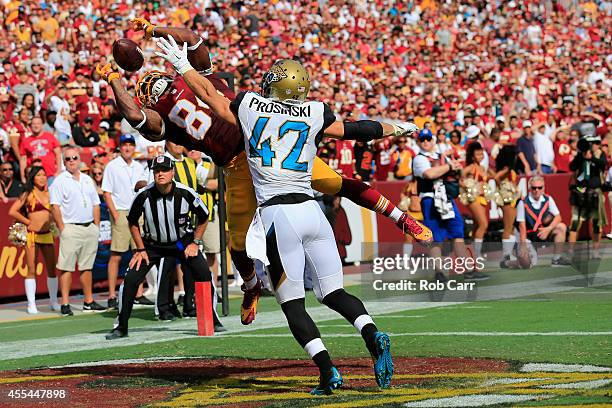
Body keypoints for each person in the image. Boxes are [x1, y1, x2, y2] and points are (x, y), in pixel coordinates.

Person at [96, 20, 431, 327]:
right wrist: (114, 80)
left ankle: (401, 217)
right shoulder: (163, 117)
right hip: (237, 166)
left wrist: (154, 30)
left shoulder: (200, 80)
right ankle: (252, 286)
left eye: (154, 82)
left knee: (334, 182)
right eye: (146, 88)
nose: (152, 86)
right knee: (237, 242)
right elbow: (134, 114)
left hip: (267, 148)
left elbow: (192, 40)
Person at [156, 42, 395, 393]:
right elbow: (358, 130)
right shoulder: (315, 111)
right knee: (334, 292)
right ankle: (372, 334)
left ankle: (328, 371)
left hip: (279, 216)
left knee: (293, 306)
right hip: (314, 211)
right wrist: (398, 126)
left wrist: (181, 64)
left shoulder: (252, 107)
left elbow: (212, 97)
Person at [105, 155, 224, 340]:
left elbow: (203, 216)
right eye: (157, 171)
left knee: (203, 273)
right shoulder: (144, 194)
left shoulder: (185, 193)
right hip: (152, 245)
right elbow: (132, 222)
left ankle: (213, 319)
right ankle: (121, 326)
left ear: (172, 172)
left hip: (180, 243)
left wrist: (195, 242)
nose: (160, 174)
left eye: (164, 170)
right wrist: (140, 249)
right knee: (130, 279)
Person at [412, 129, 489, 282]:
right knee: (435, 236)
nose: (426, 142)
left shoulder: (441, 156)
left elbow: (456, 171)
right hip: (431, 199)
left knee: (457, 232)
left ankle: (468, 269)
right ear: (419, 142)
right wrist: (449, 166)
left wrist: (456, 168)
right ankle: (439, 273)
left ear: (433, 140)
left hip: (446, 197)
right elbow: (429, 174)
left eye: (428, 139)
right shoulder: (419, 159)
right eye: (423, 140)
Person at [49, 147, 105, 316]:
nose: (72, 160)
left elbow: (96, 203)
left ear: (79, 159)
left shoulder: (88, 179)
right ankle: (65, 303)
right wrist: (63, 229)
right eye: (68, 159)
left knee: (86, 267)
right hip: (71, 227)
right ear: (64, 162)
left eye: (74, 157)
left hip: (89, 227)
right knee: (66, 268)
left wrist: (96, 226)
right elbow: (55, 206)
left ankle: (88, 301)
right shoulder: (59, 181)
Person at [102, 134, 151, 309]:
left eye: (130, 145)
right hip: (122, 211)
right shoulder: (112, 166)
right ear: (120, 147)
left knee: (139, 252)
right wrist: (115, 214)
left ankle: (138, 293)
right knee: (116, 254)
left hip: (137, 211)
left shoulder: (139, 166)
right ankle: (111, 294)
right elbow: (106, 192)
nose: (128, 148)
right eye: (125, 145)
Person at [8, 166, 58, 314]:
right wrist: (28, 222)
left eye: (44, 175)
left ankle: (54, 301)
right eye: (39, 175)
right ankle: (31, 304)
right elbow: (12, 211)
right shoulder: (28, 193)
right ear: (33, 178)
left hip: (47, 233)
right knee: (31, 269)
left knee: (52, 269)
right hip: (32, 235)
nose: (42, 178)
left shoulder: (51, 193)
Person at [515, 176, 571, 267]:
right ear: (529, 188)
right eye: (534, 188)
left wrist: (548, 229)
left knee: (561, 227)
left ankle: (557, 259)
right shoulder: (523, 202)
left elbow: (558, 217)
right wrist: (523, 245)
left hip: (543, 232)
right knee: (527, 264)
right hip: (529, 236)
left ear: (543, 188)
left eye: (539, 187)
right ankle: (508, 263)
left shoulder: (548, 199)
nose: (536, 190)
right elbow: (522, 226)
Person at [568, 135, 608, 259]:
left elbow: (603, 165)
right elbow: (572, 167)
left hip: (594, 191)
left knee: (596, 223)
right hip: (581, 191)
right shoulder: (580, 155)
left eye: (595, 143)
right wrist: (582, 157)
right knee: (575, 223)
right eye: (590, 143)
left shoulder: (599, 154)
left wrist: (592, 159)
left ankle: (595, 252)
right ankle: (570, 251)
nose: (593, 146)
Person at [460, 142, 494, 261]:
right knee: (483, 224)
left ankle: (472, 252)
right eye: (477, 154)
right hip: (473, 198)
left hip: (482, 198)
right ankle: (477, 254)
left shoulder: (483, 168)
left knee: (477, 224)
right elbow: (460, 179)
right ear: (472, 156)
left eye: (481, 154)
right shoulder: (469, 168)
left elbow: (491, 177)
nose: (480, 156)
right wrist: (468, 187)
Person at [18, 116, 61, 185]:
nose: (36, 126)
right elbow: (23, 160)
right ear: (30, 126)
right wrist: (23, 177)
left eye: (38, 123)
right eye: (34, 124)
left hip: (51, 175)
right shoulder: (26, 141)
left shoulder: (50, 137)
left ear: (42, 125)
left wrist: (58, 171)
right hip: (34, 177)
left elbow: (58, 154)